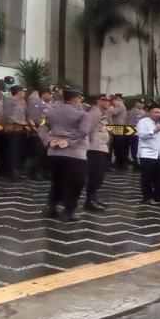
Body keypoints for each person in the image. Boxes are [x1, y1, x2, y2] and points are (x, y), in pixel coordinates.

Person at [37, 88, 91, 221]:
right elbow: (83, 132)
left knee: (57, 181)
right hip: (74, 154)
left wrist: (49, 141)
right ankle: (69, 211)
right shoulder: (82, 115)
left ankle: (51, 207)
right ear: (75, 100)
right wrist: (69, 142)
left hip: (54, 152)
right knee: (75, 183)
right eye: (80, 99)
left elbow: (42, 128)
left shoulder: (52, 112)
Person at [85, 95, 111, 212]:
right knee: (95, 175)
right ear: (97, 101)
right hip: (94, 148)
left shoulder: (100, 113)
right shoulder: (94, 113)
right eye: (105, 100)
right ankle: (90, 200)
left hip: (100, 147)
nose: (108, 102)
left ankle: (93, 198)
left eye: (109, 100)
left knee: (99, 175)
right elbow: (87, 130)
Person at [0, 85, 29, 179]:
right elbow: (7, 115)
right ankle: (12, 172)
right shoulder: (9, 100)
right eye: (23, 91)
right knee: (13, 151)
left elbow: (25, 114)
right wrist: (18, 121)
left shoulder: (23, 102)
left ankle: (18, 170)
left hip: (21, 130)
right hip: (12, 130)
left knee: (20, 151)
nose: (24, 93)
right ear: (18, 92)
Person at [26, 87, 53, 180]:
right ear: (44, 93)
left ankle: (44, 172)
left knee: (45, 154)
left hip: (47, 133)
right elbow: (34, 118)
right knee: (38, 154)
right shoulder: (36, 103)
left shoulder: (47, 104)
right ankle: (34, 173)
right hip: (38, 132)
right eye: (49, 94)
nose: (51, 96)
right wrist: (37, 128)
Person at [108, 94, 129, 170]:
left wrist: (110, 108)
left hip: (120, 127)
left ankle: (122, 163)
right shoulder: (116, 105)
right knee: (116, 145)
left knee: (120, 146)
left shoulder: (120, 105)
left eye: (111, 101)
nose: (110, 103)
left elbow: (114, 112)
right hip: (115, 127)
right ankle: (118, 161)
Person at [126, 100, 146, 169]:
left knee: (141, 148)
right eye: (140, 103)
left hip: (141, 133)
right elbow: (129, 122)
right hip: (134, 132)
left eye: (143, 103)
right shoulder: (132, 111)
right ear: (136, 103)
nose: (142, 105)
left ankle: (141, 163)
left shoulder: (144, 112)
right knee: (134, 148)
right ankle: (135, 162)